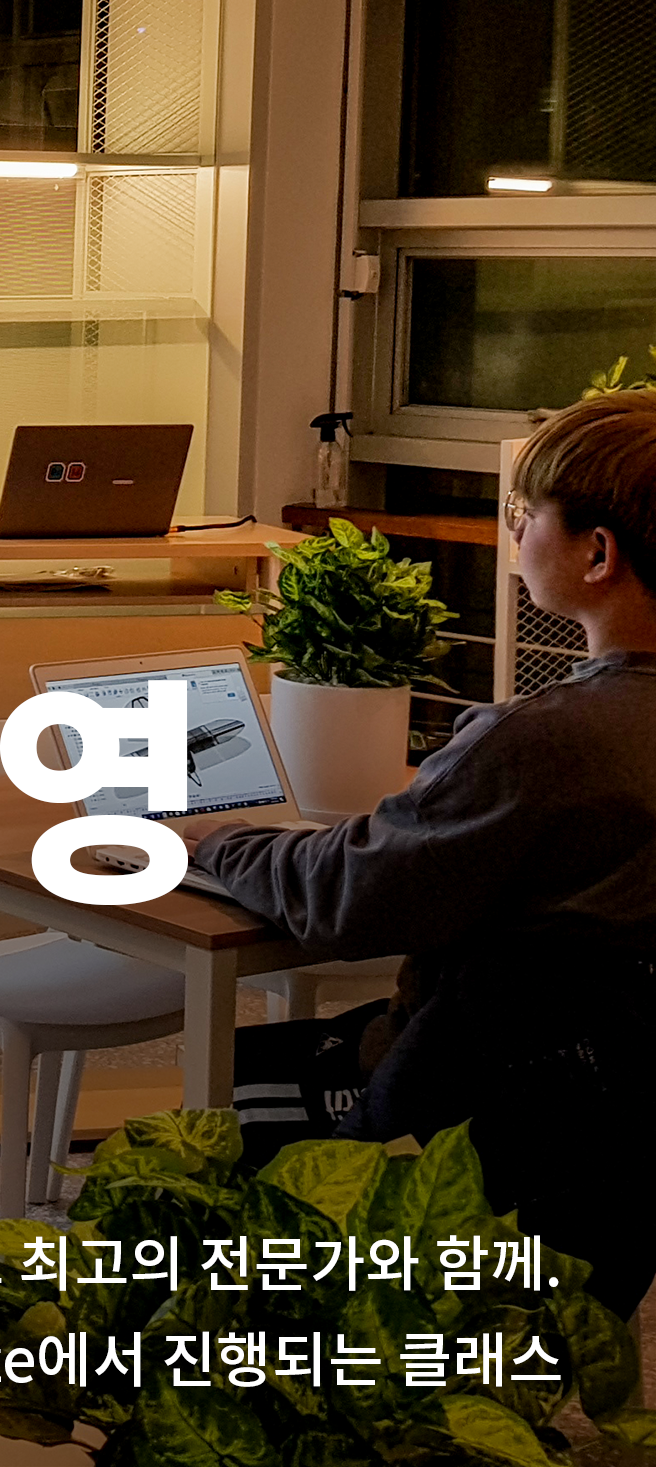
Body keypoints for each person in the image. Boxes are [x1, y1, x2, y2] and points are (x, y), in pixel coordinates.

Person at [193, 391, 656, 1318]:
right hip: (619, 1144)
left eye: (523, 512)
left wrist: (219, 843)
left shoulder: (543, 742)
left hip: (495, 1120)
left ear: (597, 553)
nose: (513, 531)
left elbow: (346, 895)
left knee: (217, 1105)